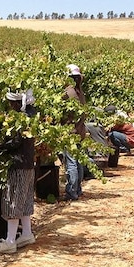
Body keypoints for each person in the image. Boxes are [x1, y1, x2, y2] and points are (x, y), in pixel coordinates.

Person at [0, 89, 38, 254]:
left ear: (18, 103)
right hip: (29, 164)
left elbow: (16, 142)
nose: (10, 106)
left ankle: (10, 241)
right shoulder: (32, 115)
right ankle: (26, 233)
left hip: (18, 165)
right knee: (24, 201)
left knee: (13, 202)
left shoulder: (21, 119)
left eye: (11, 103)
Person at [61, 63, 87, 201]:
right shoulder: (80, 92)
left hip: (70, 133)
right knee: (78, 161)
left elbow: (60, 113)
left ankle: (72, 192)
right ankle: (78, 189)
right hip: (80, 131)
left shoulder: (67, 93)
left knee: (71, 162)